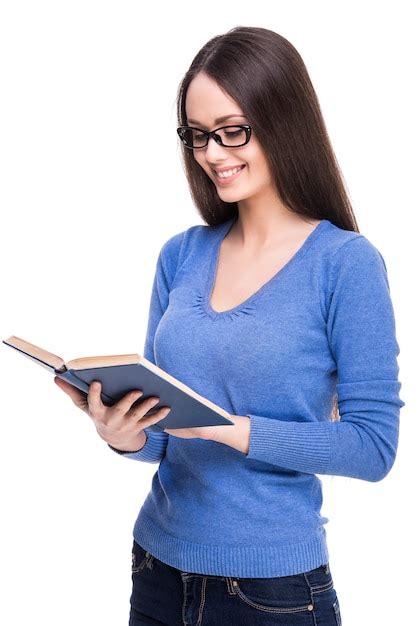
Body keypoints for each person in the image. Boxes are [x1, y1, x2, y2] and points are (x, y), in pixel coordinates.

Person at [54, 26, 405, 626]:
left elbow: (374, 448)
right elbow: (164, 434)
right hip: (157, 571)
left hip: (271, 593)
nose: (213, 154)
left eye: (231, 131)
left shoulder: (345, 264)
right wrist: (121, 433)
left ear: (284, 120)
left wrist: (233, 431)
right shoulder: (180, 255)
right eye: (197, 137)